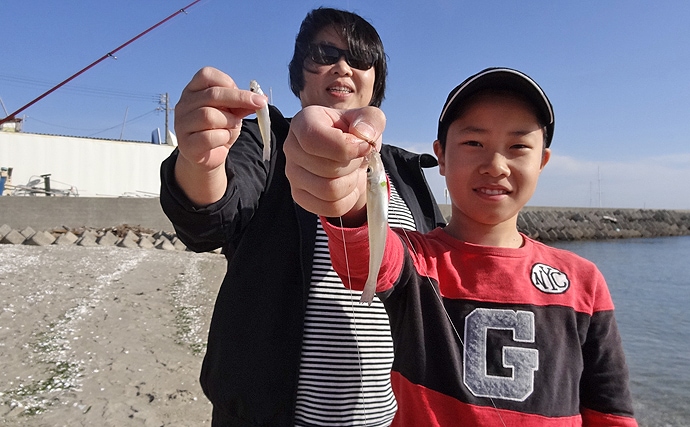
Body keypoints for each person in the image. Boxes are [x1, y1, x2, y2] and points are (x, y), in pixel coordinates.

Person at [286, 67, 638, 426]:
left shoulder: (583, 282)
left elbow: (610, 411)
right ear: (441, 156)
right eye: (474, 143)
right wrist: (344, 189)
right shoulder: (417, 262)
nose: (495, 165)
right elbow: (369, 254)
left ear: (543, 161)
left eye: (518, 146)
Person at [159, 7, 445, 426]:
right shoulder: (265, 141)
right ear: (299, 75)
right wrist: (201, 161)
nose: (343, 66)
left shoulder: (403, 171)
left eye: (360, 58)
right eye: (323, 54)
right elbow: (209, 220)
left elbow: (438, 283)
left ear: (375, 79)